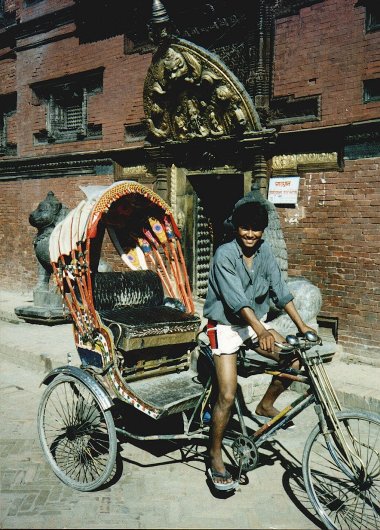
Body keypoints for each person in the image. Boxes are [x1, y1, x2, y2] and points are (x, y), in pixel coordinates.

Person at [203, 200, 316, 491]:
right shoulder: (224, 255)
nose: (251, 235)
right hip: (226, 326)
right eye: (245, 228)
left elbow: (280, 290)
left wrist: (303, 326)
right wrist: (261, 330)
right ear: (236, 228)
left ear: (263, 232)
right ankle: (214, 453)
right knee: (227, 395)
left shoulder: (265, 253)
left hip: (255, 323)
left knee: (294, 359)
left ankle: (266, 405)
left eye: (256, 230)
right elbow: (236, 300)